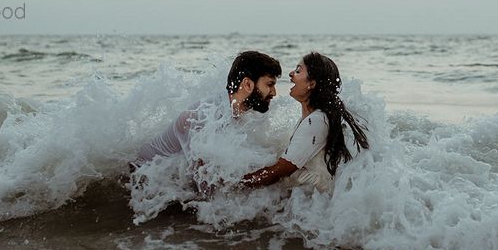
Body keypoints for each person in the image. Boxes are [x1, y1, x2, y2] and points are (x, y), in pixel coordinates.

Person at [130, 50, 281, 170]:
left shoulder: (240, 113)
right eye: (269, 84)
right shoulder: (202, 118)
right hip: (142, 178)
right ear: (247, 84)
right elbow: (204, 187)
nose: (274, 92)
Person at [241, 52, 369, 193]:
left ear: (311, 83)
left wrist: (237, 184)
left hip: (313, 205)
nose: (291, 74)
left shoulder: (316, 121)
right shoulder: (316, 118)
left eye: (298, 71)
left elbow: (279, 171)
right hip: (310, 202)